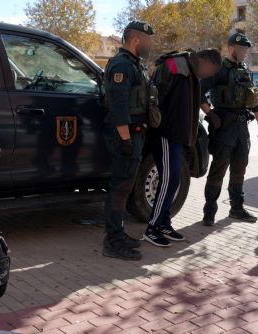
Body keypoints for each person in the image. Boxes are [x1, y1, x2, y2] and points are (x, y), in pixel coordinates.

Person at [143, 48, 222, 247]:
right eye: (210, 71)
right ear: (204, 61)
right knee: (169, 181)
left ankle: (164, 223)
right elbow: (154, 97)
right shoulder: (175, 66)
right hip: (165, 134)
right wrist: (160, 125)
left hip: (178, 136)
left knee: (175, 181)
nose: (208, 76)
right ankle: (152, 228)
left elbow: (195, 98)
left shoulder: (192, 73)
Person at [200, 32, 258, 226]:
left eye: (245, 49)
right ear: (230, 48)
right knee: (219, 168)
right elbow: (198, 91)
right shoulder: (218, 69)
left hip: (241, 127)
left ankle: (237, 209)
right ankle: (209, 211)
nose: (244, 52)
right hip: (224, 126)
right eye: (240, 49)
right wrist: (210, 113)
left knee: (239, 169)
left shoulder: (244, 70)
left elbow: (252, 98)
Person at [101, 21, 154, 260]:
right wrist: (125, 140)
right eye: (147, 40)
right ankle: (112, 241)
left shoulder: (134, 64)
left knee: (124, 187)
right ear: (135, 40)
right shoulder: (123, 65)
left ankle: (118, 233)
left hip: (134, 133)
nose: (149, 45)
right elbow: (119, 106)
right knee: (120, 188)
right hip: (126, 134)